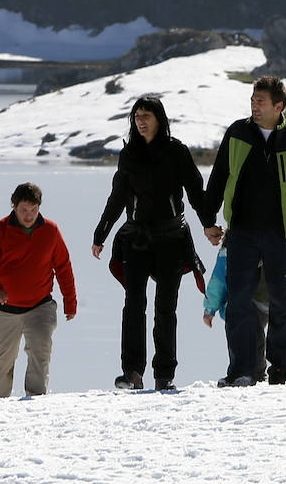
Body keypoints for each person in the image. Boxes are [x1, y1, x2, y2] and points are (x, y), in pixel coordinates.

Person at [203, 75, 286, 387]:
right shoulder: (238, 133)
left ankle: (280, 370)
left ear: (278, 106)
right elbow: (218, 178)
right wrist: (208, 220)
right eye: (252, 100)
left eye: (261, 102)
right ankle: (243, 370)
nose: (254, 106)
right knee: (239, 300)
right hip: (241, 231)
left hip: (283, 235)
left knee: (282, 301)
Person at [92, 96, 211, 391]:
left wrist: (208, 224)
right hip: (136, 239)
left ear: (160, 119)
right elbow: (118, 196)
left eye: (146, 115)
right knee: (133, 304)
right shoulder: (129, 154)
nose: (141, 121)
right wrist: (101, 234)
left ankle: (164, 375)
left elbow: (196, 191)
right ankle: (132, 372)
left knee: (165, 308)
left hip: (172, 238)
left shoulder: (176, 151)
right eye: (137, 116)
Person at [0, 182, 77, 398]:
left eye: (34, 209)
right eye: (24, 209)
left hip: (40, 306)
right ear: (14, 206)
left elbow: (63, 266)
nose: (29, 215)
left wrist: (70, 302)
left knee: (40, 355)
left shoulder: (51, 230)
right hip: (3, 309)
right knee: (2, 361)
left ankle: (35, 403)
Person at [202, 234, 286, 383]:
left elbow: (218, 282)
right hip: (264, 303)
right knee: (255, 335)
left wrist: (210, 309)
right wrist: (209, 309)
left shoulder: (231, 251)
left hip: (253, 302)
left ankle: (255, 371)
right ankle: (258, 371)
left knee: (251, 335)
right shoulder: (230, 252)